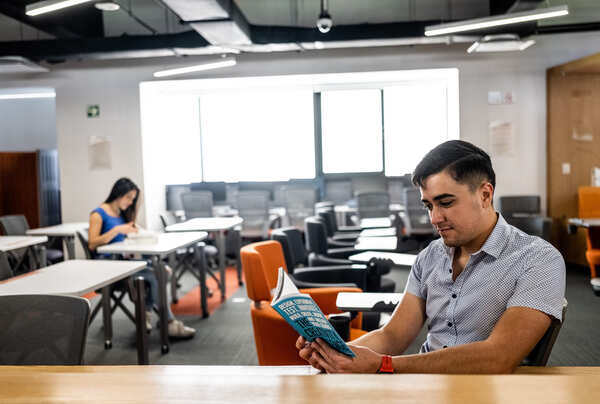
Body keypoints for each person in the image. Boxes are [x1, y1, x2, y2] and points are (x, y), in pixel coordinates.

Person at [297, 140, 565, 373]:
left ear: (485, 195)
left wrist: (384, 365)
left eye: (446, 203)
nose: (435, 218)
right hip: (423, 386)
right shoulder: (430, 257)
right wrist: (336, 352)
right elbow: (392, 335)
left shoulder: (538, 260)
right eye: (429, 205)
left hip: (485, 392)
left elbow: (498, 357)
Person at [88, 177, 195, 338]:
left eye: (133, 199)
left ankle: (145, 314)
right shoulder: (98, 214)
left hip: (126, 261)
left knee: (163, 271)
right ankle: (168, 322)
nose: (131, 202)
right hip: (109, 266)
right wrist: (117, 230)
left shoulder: (122, 214)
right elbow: (92, 244)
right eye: (129, 198)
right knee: (154, 275)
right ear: (118, 194)